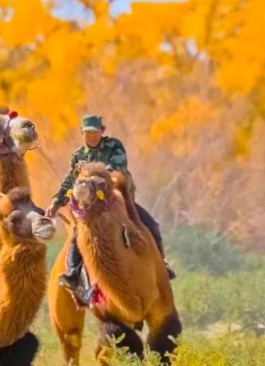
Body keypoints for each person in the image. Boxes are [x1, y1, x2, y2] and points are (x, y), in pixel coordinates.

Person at [46, 115, 176, 300]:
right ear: (82, 133)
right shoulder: (77, 156)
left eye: (95, 132)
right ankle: (73, 274)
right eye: (88, 132)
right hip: (90, 211)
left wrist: (95, 174)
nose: (91, 136)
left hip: (117, 204)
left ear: (102, 131)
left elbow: (118, 168)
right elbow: (70, 180)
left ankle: (161, 265)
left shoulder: (114, 146)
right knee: (77, 237)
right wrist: (56, 201)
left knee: (152, 225)